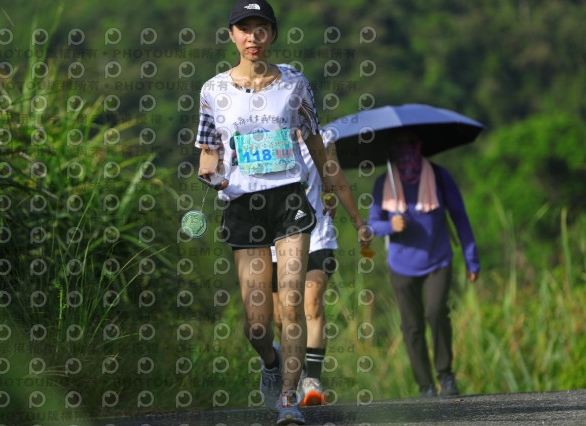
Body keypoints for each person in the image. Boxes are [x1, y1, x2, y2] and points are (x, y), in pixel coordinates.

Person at [195, 1, 336, 424]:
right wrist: (210, 175)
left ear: (272, 35)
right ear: (232, 35)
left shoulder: (295, 83)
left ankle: (289, 399)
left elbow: (314, 138)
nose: (252, 37)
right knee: (257, 324)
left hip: (288, 201)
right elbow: (208, 152)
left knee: (291, 303)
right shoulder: (212, 90)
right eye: (244, 29)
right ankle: (270, 362)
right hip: (243, 205)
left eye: (261, 29)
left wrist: (330, 185)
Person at [367, 128, 480, 398]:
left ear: (420, 145)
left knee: (436, 312)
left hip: (438, 260)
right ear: (392, 151)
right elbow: (370, 226)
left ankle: (446, 375)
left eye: (411, 143)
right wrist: (390, 225)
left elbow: (460, 217)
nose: (406, 150)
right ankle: (425, 385)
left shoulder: (439, 176)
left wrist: (471, 259)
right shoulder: (384, 183)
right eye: (399, 145)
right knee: (411, 325)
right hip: (401, 266)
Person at [270, 126, 372, 406]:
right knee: (281, 316)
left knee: (312, 304)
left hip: (316, 235)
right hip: (276, 240)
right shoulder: (266, 137)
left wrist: (359, 223)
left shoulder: (323, 138)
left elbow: (337, 179)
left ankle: (312, 380)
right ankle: (297, 371)